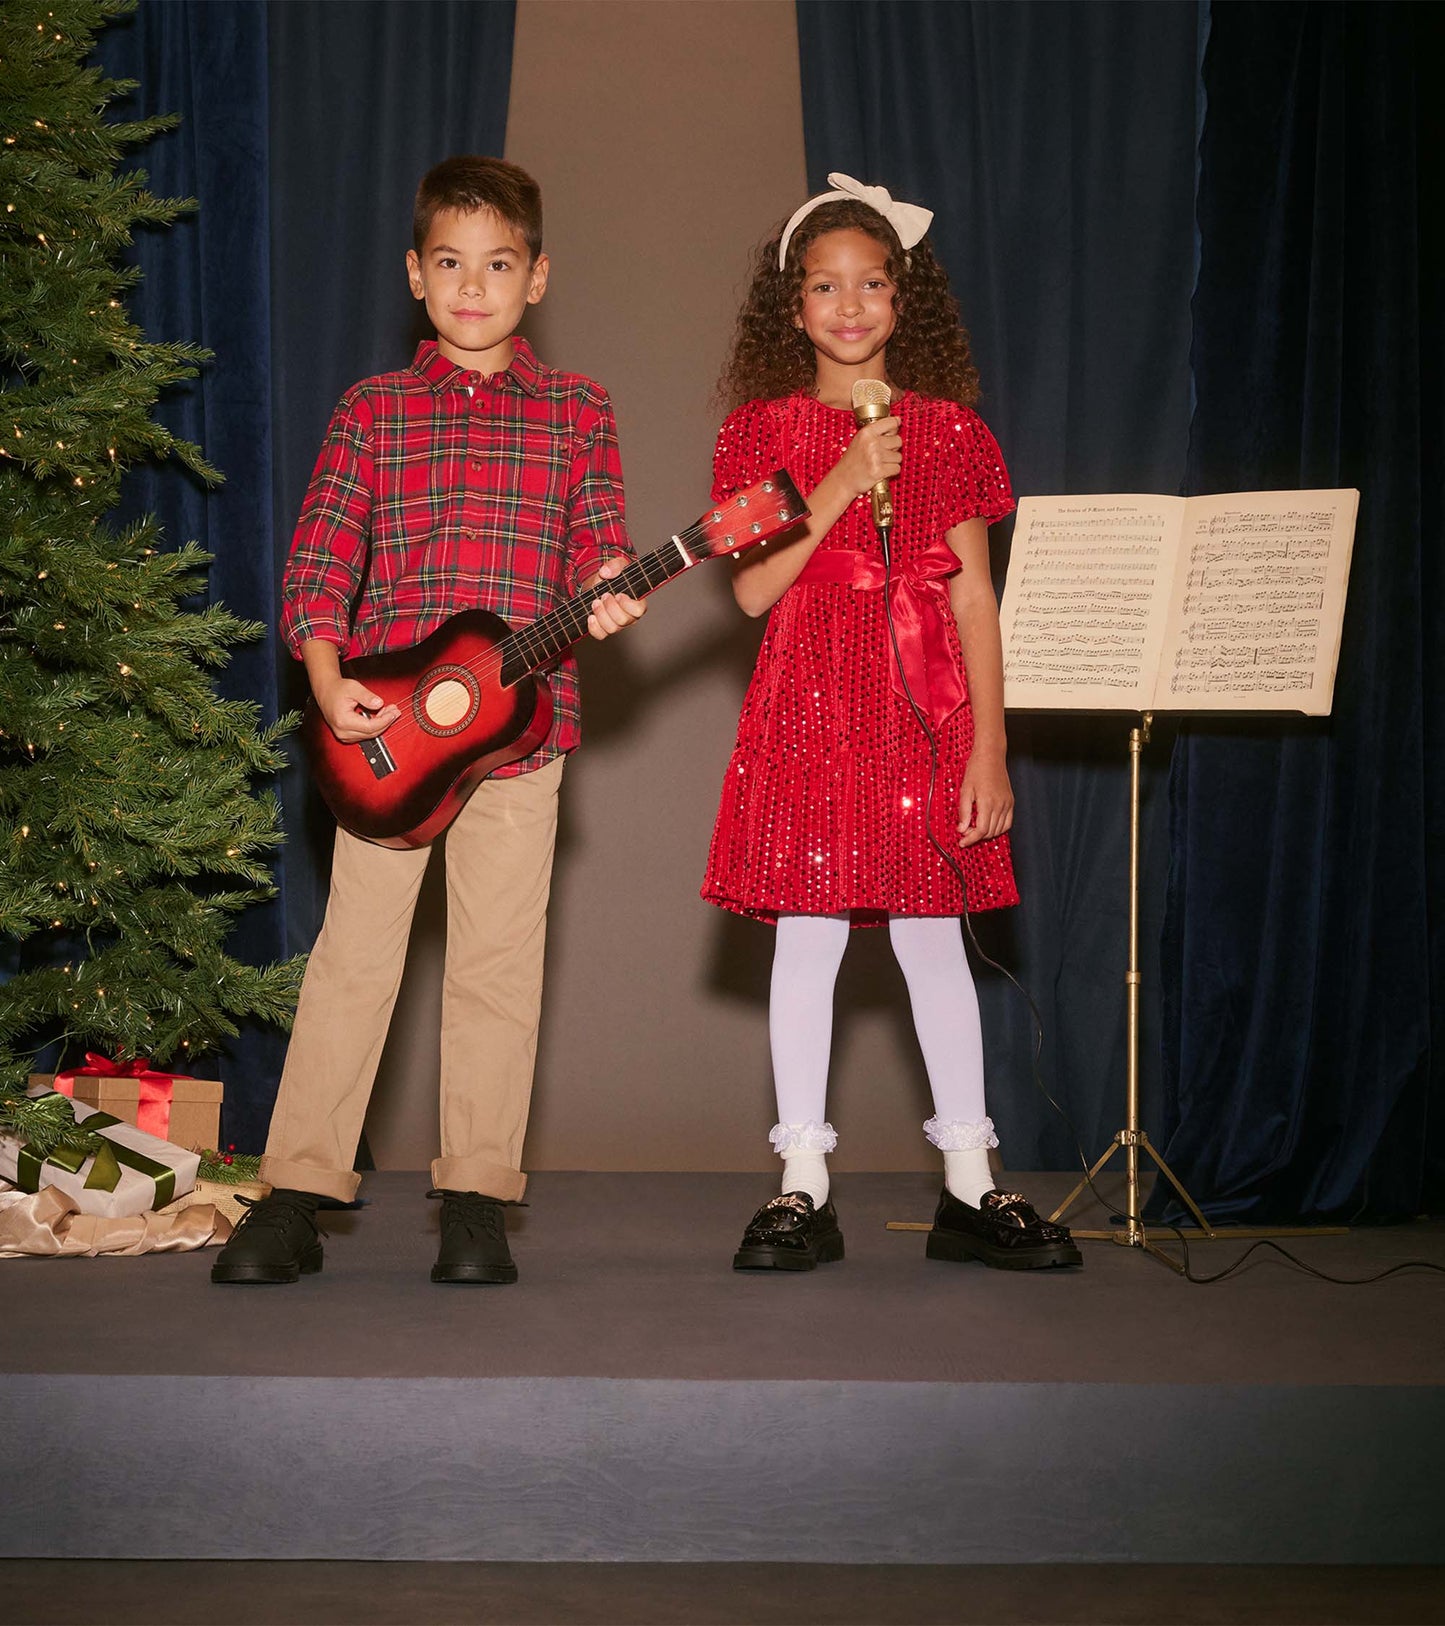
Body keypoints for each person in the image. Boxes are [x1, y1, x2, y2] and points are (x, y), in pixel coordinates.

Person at [212, 155, 646, 1286]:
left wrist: (613, 585)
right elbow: (319, 555)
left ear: (536, 279)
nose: (472, 286)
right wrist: (322, 673)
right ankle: (296, 1195)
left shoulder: (577, 409)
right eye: (449, 264)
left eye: (497, 265)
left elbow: (600, 535)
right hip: (389, 745)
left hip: (518, 745)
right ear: (415, 274)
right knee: (352, 963)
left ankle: (474, 1201)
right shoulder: (372, 409)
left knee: (497, 970)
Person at [704, 173, 1080, 1273]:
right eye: (824, 286)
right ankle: (800, 1183)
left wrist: (988, 747)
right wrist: (837, 479)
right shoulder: (756, 433)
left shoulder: (952, 434)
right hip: (809, 712)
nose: (849, 305)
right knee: (808, 940)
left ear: (902, 301)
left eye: (871, 283)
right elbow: (749, 593)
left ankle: (969, 1181)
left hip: (920, 717)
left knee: (931, 944)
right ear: (793, 306)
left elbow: (969, 597)